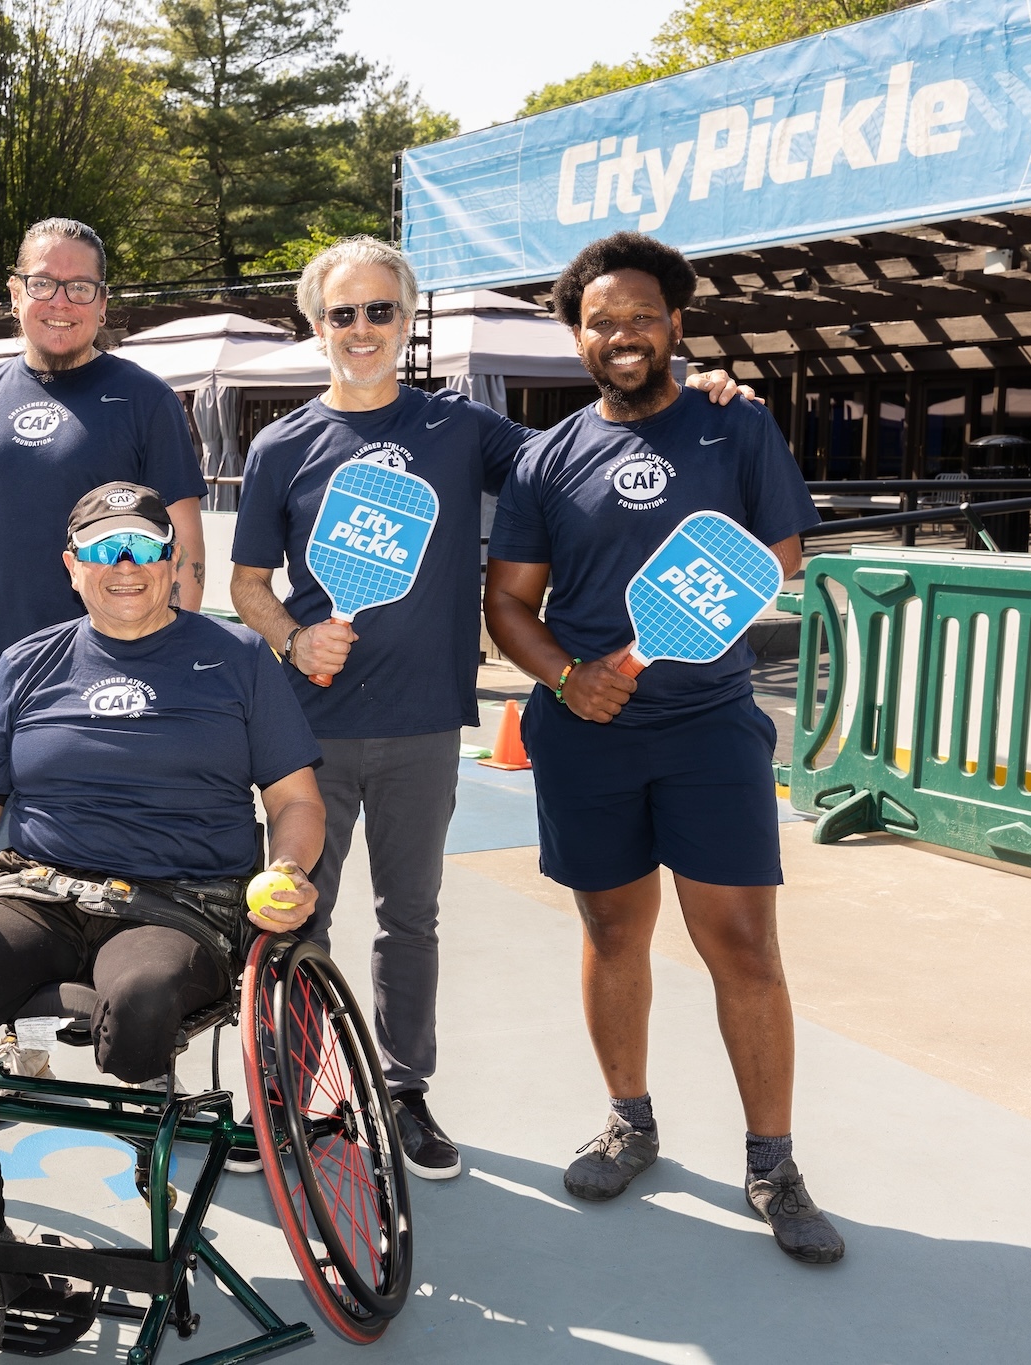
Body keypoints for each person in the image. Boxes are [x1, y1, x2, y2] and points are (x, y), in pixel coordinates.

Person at [229, 235, 756, 1181]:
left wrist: (699, 389)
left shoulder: (463, 432)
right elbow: (248, 583)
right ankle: (292, 1095)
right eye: (342, 313)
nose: (362, 329)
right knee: (294, 914)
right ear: (317, 327)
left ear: (407, 319)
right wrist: (291, 638)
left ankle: (401, 1089)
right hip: (304, 731)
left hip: (426, 724)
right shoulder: (280, 445)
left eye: (380, 310)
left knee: (411, 921)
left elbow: (596, 450)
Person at [0, 482, 327, 1361]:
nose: (125, 568)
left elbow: (297, 799)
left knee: (144, 1011)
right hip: (41, 888)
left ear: (173, 561)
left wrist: (288, 868)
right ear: (72, 566)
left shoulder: (237, 659)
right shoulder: (28, 662)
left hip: (180, 898)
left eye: (143, 548)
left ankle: (141, 1095)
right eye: (104, 550)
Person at [483, 230, 840, 1264]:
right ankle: (628, 1121)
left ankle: (772, 1164)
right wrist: (563, 675)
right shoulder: (546, 457)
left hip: (708, 730)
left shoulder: (734, 428)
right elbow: (507, 601)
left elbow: (772, 555)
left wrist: (683, 622)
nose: (622, 335)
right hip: (586, 737)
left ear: (675, 324)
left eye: (641, 317)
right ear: (576, 336)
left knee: (741, 946)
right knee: (610, 933)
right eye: (601, 322)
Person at [0, 218, 210, 740]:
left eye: (80, 288)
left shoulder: (146, 400)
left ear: (103, 303)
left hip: (112, 671)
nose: (60, 302)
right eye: (42, 283)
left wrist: (167, 660)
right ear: (16, 294)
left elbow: (185, 544)